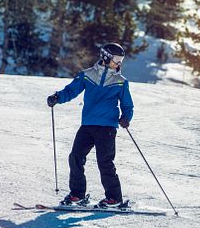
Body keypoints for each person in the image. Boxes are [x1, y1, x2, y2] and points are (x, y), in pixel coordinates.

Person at [46, 43, 134, 208]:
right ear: (106, 57)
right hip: (87, 125)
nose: (119, 63)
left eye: (121, 59)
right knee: (75, 157)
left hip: (107, 127)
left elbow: (127, 105)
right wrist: (57, 97)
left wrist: (126, 117)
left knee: (105, 161)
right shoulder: (87, 75)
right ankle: (77, 195)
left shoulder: (121, 81)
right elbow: (71, 90)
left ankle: (114, 198)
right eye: (116, 59)